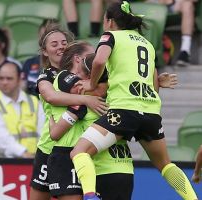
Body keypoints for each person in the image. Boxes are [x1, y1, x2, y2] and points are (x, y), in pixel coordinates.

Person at [69, 2, 197, 200]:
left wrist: (92, 85)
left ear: (110, 21)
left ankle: (90, 196)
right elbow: (154, 85)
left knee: (79, 151)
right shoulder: (146, 43)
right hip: (151, 113)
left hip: (124, 111)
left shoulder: (110, 36)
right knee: (166, 165)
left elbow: (99, 60)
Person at [29, 23, 108, 200]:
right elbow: (51, 96)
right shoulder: (47, 75)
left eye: (64, 42)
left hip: (78, 145)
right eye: (54, 44)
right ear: (44, 51)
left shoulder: (84, 74)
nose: (60, 46)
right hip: (49, 146)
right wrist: (85, 99)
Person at [48, 44, 133, 200]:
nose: (97, 58)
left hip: (87, 155)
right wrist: (86, 99)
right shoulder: (64, 77)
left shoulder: (97, 84)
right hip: (65, 152)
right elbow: (95, 91)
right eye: (92, 55)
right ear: (79, 59)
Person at [0, 61, 45, 158]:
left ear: (20, 79)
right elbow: (0, 138)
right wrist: (24, 153)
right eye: (1, 78)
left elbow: (43, 132)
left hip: (32, 161)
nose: (4, 82)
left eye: (9, 79)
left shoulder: (34, 102)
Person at [147, 0, 196, 66]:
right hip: (155, 5)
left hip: (176, 5)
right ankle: (148, 52)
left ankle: (185, 51)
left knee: (187, 5)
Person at [22, 18, 59, 97]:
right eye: (43, 36)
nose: (45, 41)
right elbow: (21, 91)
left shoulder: (68, 64)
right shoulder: (29, 63)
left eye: (50, 37)